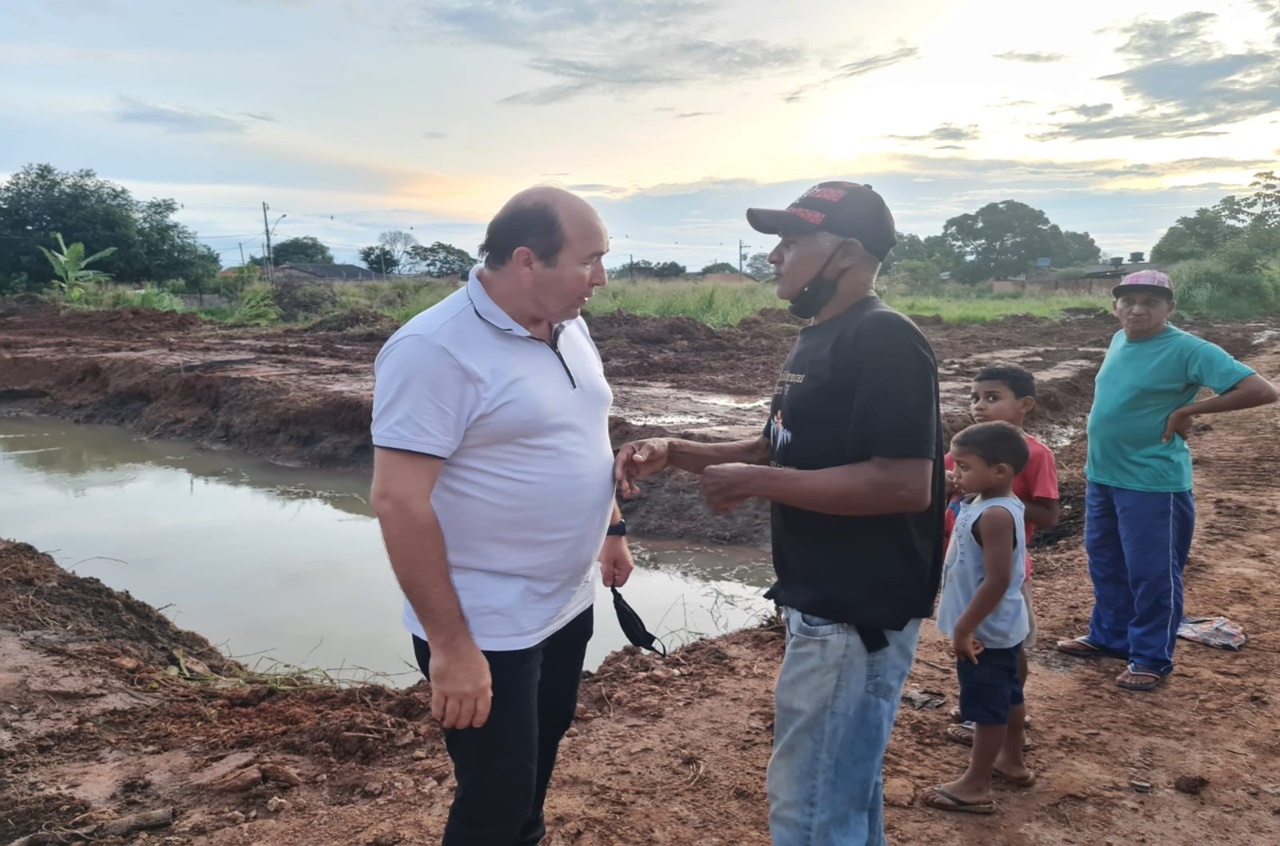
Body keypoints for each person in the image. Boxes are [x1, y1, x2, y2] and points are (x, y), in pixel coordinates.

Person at [615, 182, 945, 846]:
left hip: (857, 613)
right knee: (841, 793)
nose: (774, 258)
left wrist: (759, 481)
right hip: (826, 602)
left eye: (792, 243)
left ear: (848, 253)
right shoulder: (820, 337)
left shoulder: (884, 338)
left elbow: (905, 483)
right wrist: (682, 452)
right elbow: (779, 446)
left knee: (810, 808)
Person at [370, 186, 635, 846]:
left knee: (538, 762)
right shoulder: (434, 350)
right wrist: (454, 650)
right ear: (526, 260)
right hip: (487, 623)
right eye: (589, 260)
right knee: (494, 797)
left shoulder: (569, 324)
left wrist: (611, 528)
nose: (601, 278)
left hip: (565, 603)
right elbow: (397, 501)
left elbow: (582, 435)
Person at [1057, 269, 1277, 691]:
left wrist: (1188, 411)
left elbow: (1262, 390)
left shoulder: (1188, 349)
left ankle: (1151, 657)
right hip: (1103, 475)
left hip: (1152, 482)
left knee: (1152, 571)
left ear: (1169, 308)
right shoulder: (1120, 338)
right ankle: (1109, 636)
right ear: (1115, 305)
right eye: (1129, 301)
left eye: (1150, 302)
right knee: (1106, 561)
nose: (1137, 309)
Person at [941, 365, 1058, 748]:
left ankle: (1005, 716)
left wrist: (993, 493)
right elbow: (946, 496)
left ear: (1024, 404)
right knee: (979, 645)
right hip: (965, 563)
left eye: (992, 397)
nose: (980, 406)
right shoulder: (964, 452)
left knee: (1007, 648)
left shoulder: (1034, 456)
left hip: (1001, 570)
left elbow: (1049, 516)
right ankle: (987, 707)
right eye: (975, 397)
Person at [924, 421, 1033, 815]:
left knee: (987, 708)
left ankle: (976, 784)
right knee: (1008, 695)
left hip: (984, 632)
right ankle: (1013, 762)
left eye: (964, 467)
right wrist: (958, 490)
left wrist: (964, 627)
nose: (956, 473)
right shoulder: (982, 502)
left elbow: (1000, 578)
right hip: (999, 627)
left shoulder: (995, 515)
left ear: (1000, 471)